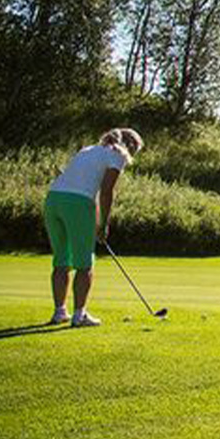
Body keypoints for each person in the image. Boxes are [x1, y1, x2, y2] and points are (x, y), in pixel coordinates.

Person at [44, 128, 143, 327]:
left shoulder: (88, 150)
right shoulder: (118, 154)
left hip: (53, 199)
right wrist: (104, 224)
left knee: (61, 260)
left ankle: (59, 313)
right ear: (130, 145)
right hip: (77, 204)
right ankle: (79, 315)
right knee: (84, 263)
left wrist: (96, 220)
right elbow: (106, 192)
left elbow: (85, 187)